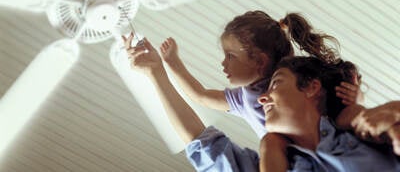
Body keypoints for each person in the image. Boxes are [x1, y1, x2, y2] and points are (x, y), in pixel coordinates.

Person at [122, 33, 400, 171]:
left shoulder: (365, 132)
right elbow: (200, 141)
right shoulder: (269, 163)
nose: (263, 97)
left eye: (276, 83)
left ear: (312, 88)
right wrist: (156, 72)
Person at [159, 11, 362, 139]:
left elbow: (338, 102)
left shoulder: (296, 82)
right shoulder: (244, 98)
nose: (223, 63)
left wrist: (355, 99)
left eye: (230, 56)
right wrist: (172, 63)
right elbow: (200, 96)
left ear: (259, 61)